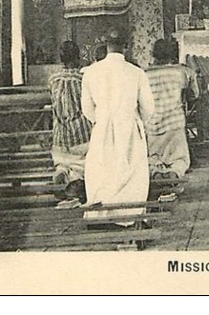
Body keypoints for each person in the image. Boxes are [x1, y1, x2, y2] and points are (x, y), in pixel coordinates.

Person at [81, 28, 154, 224]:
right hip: (129, 127)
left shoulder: (91, 72)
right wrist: (136, 120)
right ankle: (129, 215)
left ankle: (100, 216)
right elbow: (148, 107)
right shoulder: (136, 72)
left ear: (105, 46)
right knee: (131, 170)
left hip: (102, 127)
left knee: (102, 169)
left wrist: (102, 119)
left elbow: (87, 109)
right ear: (126, 46)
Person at [144, 39, 198, 182]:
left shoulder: (144, 74)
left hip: (152, 125)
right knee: (180, 158)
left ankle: (155, 173)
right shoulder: (182, 72)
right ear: (174, 54)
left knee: (152, 157)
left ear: (154, 54)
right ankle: (174, 173)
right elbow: (194, 95)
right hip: (175, 124)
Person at [47, 41, 92, 207]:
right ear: (79, 57)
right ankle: (76, 185)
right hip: (82, 136)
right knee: (86, 164)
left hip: (59, 137)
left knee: (63, 163)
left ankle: (62, 173)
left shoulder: (53, 80)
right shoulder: (83, 79)